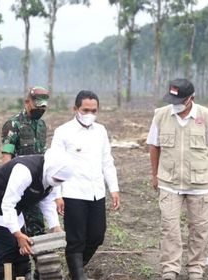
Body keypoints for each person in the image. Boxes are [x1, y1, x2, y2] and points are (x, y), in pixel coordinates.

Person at [146, 78, 208, 280]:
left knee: (200, 228)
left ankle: (196, 268)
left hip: (199, 183)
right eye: (174, 99)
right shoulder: (161, 115)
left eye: (181, 100)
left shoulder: (206, 117)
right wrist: (155, 174)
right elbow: (154, 146)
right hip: (169, 182)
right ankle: (170, 269)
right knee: (169, 227)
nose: (177, 104)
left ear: (192, 98)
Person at [0, 150, 74, 280]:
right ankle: (3, 276)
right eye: (57, 179)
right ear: (50, 170)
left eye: (61, 181)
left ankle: (23, 275)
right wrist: (17, 234)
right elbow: (8, 204)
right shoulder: (24, 172)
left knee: (23, 251)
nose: (58, 182)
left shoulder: (54, 174)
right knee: (7, 252)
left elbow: (47, 201)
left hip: (15, 208)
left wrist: (55, 226)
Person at [51, 90, 120, 280]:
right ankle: (78, 276)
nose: (89, 114)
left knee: (97, 236)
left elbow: (107, 161)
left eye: (94, 110)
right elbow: (54, 166)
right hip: (73, 193)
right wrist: (57, 195)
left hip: (96, 192)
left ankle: (75, 271)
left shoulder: (101, 131)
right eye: (85, 110)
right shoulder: (63, 132)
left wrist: (113, 188)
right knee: (75, 240)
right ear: (75, 109)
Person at [1, 86, 49, 279]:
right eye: (37, 106)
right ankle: (22, 272)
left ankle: (40, 272)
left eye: (43, 108)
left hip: (37, 187)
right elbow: (7, 157)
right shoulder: (13, 124)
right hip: (19, 187)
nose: (40, 110)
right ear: (27, 102)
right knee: (19, 232)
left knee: (38, 229)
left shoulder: (42, 125)